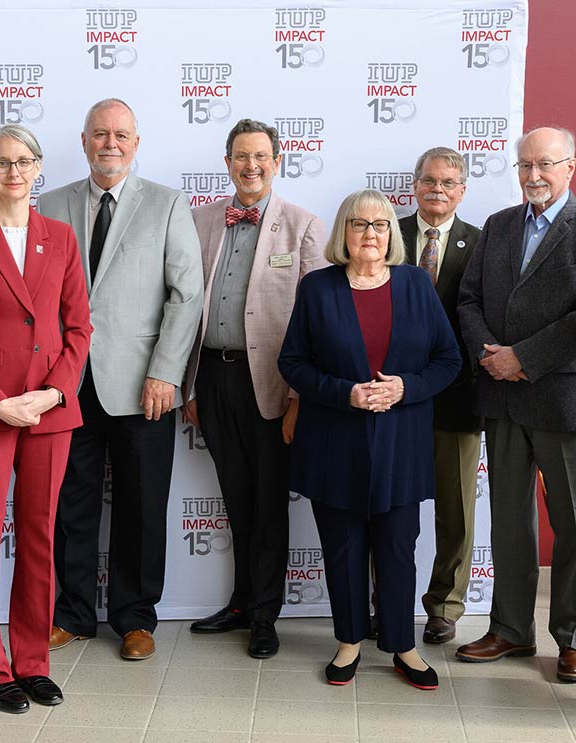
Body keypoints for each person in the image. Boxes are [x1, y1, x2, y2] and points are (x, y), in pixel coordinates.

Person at [39, 98, 203, 661]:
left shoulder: (166, 203)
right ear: (83, 140)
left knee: (141, 505)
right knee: (69, 503)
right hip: (66, 384)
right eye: (100, 134)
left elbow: (187, 295)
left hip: (143, 386)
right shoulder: (51, 203)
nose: (111, 143)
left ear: (136, 143)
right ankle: (72, 614)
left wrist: (166, 372)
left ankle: (136, 618)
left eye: (122, 135)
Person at [277, 189, 459, 689]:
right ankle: (348, 641)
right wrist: (345, 394)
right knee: (343, 547)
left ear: (391, 235)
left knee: (399, 547)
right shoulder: (317, 288)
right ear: (344, 233)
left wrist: (404, 387)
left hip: (402, 441)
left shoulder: (417, 285)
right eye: (360, 224)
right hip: (334, 440)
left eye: (380, 225)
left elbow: (448, 360)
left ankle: (403, 644)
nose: (371, 234)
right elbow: (292, 362)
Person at [0, 125, 92, 713]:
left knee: (39, 536)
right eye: (2, 163)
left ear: (38, 168)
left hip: (49, 410)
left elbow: (78, 329)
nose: (13, 172)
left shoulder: (60, 237)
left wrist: (53, 394)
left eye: (24, 162)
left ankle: (31, 661)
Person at [455, 126, 576, 683]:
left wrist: (523, 356)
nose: (533, 176)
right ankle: (511, 630)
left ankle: (575, 638)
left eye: (545, 164)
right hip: (500, 395)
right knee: (508, 522)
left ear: (571, 166)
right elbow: (469, 299)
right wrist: (491, 356)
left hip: (563, 395)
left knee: (573, 523)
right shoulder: (498, 225)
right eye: (525, 165)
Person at [181, 118, 327, 658]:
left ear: (277, 161)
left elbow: (315, 321)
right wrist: (188, 384)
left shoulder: (303, 225)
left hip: (270, 382)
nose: (251, 165)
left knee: (268, 504)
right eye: (241, 156)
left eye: (261, 156)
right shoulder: (200, 221)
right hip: (213, 377)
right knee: (237, 499)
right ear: (227, 162)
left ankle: (266, 615)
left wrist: (296, 399)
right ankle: (242, 602)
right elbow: (183, 305)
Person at [399, 146, 483, 644]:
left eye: (449, 182)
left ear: (462, 190)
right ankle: (382, 597)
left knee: (456, 512)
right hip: (394, 396)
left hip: (458, 396)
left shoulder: (482, 242)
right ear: (416, 185)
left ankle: (445, 605)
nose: (438, 190)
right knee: (389, 506)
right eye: (430, 180)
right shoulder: (385, 232)